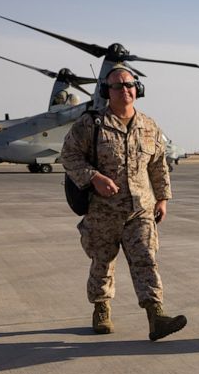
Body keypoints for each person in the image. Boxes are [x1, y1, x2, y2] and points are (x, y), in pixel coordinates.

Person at [60, 64, 187, 341]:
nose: (125, 90)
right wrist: (94, 177)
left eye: (129, 85)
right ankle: (101, 308)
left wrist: (163, 198)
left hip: (140, 209)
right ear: (107, 91)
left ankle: (156, 316)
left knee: (146, 259)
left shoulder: (149, 126)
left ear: (137, 90)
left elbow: (158, 165)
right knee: (102, 262)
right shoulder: (90, 125)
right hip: (102, 211)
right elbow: (69, 156)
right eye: (118, 86)